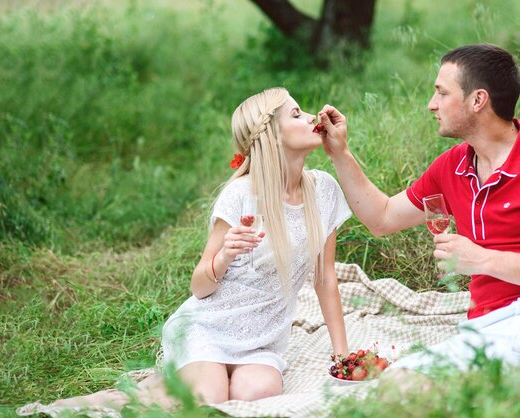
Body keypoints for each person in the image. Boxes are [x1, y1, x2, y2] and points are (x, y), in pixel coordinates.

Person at [317, 44, 520, 391]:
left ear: (478, 100)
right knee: (399, 388)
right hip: (491, 325)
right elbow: (382, 218)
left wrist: (482, 260)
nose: (431, 104)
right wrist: (340, 153)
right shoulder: (451, 167)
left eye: (441, 93)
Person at [44, 87, 352, 411]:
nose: (310, 117)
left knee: (256, 395)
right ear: (273, 137)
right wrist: (225, 257)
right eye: (295, 114)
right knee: (209, 397)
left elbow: (325, 278)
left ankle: (181, 381)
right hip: (209, 327)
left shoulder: (324, 192)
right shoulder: (240, 195)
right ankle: (106, 400)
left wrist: (343, 356)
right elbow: (199, 286)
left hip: (263, 339)